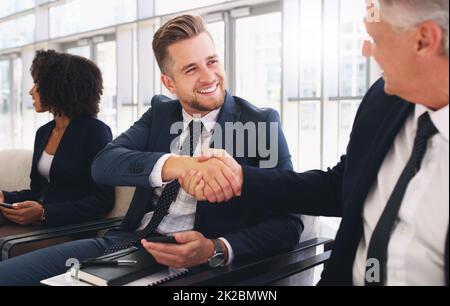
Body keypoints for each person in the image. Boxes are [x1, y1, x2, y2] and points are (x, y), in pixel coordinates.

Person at [0, 15, 302, 286]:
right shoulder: (160, 113)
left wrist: (217, 248)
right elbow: (105, 163)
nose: (209, 77)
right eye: (191, 69)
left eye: (212, 61)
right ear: (168, 81)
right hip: (127, 244)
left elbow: (289, 223)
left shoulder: (260, 123)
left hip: (199, 263)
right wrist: (178, 165)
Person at [181, 0, 449, 286]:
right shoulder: (383, 101)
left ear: (424, 41)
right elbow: (340, 187)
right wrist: (241, 178)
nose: (365, 50)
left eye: (375, 38)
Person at [0, 50, 114, 231]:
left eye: (37, 83)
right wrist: (5, 197)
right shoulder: (44, 132)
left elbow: (102, 200)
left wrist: (45, 213)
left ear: (58, 87)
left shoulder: (95, 131)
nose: (31, 91)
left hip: (69, 229)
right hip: (37, 225)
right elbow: (39, 193)